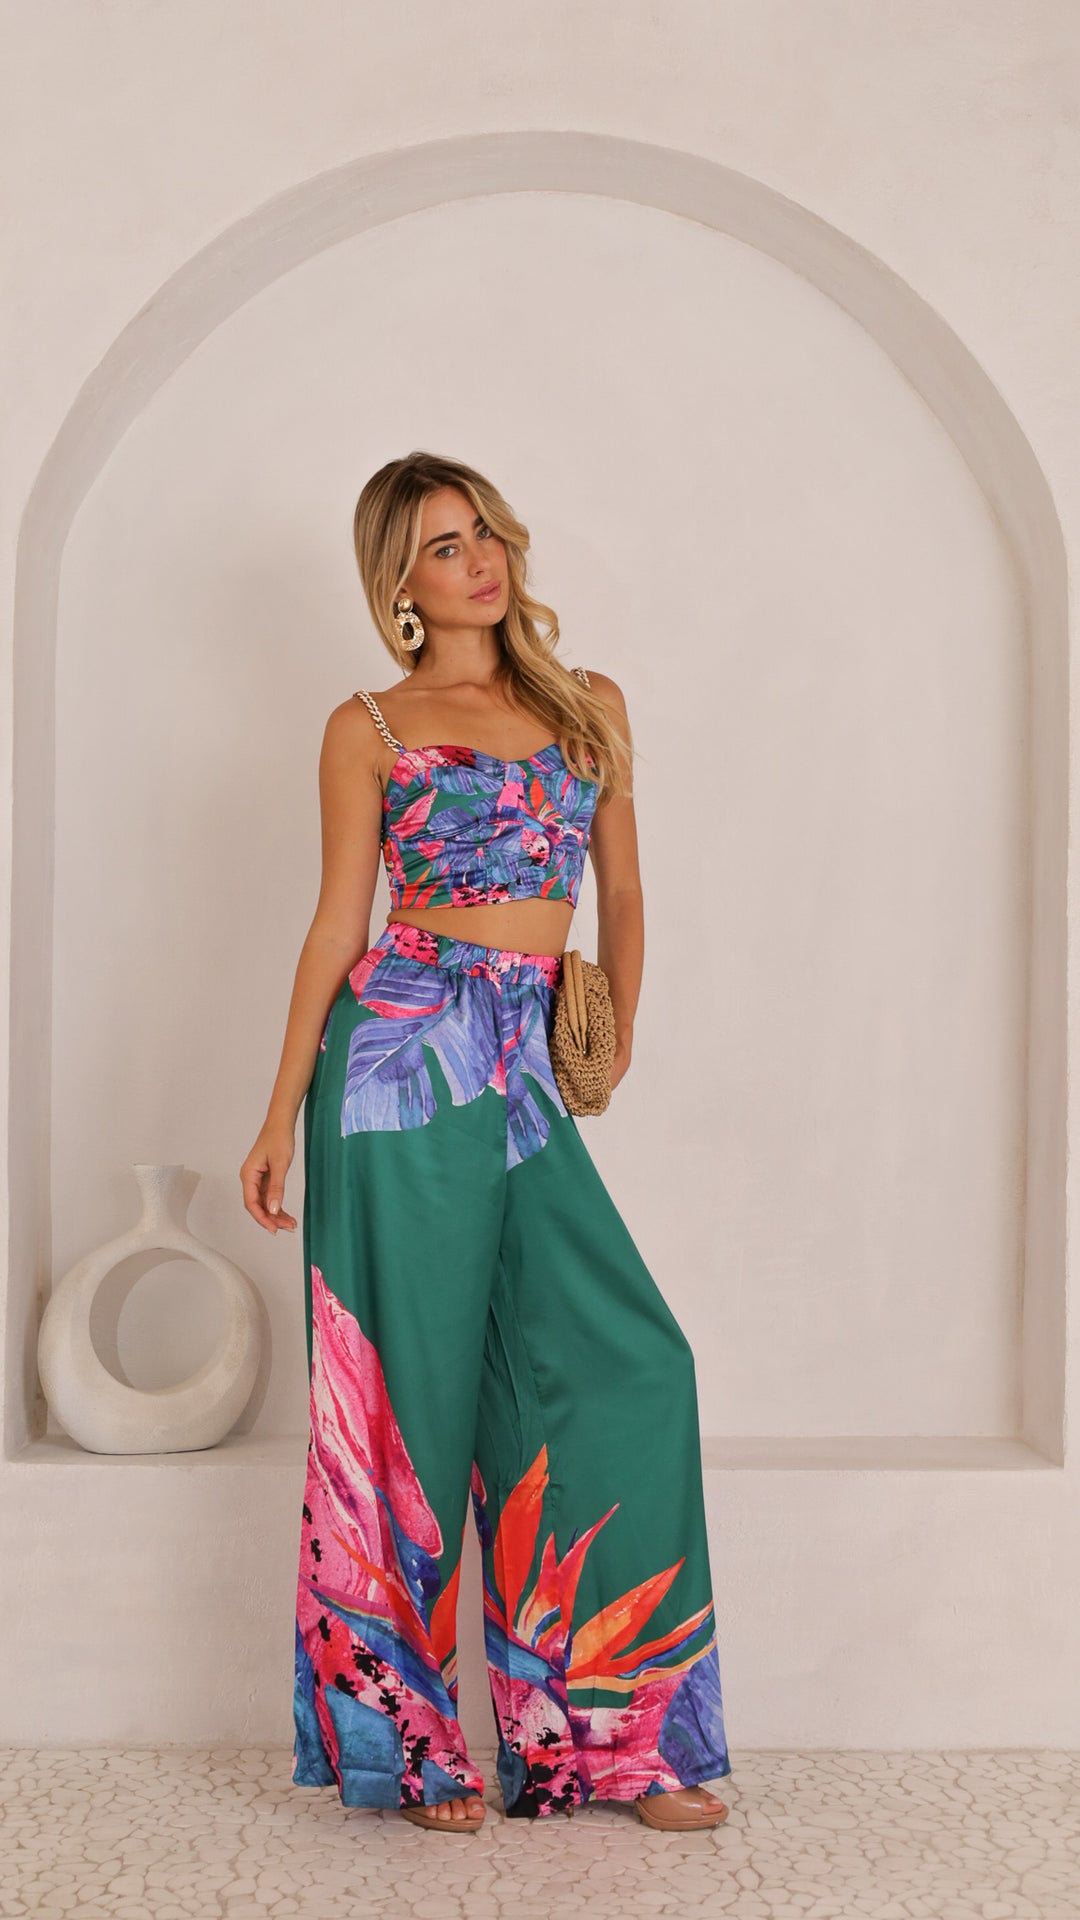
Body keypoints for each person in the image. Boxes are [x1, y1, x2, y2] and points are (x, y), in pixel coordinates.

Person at [241, 450, 733, 1833]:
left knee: (628, 1361)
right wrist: (277, 1111)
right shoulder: (368, 726)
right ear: (399, 582)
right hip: (397, 1062)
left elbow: (624, 891)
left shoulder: (588, 705)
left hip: (525, 1056)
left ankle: (612, 1747)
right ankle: (411, 1751)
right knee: (408, 1394)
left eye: (484, 535)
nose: (480, 562)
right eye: (444, 547)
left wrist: (616, 1023)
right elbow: (336, 924)